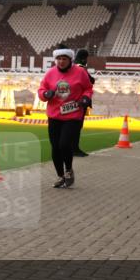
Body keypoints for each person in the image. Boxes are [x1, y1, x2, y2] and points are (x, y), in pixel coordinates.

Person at [38, 47, 94, 189]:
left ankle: (68, 171)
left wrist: (86, 98)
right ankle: (60, 176)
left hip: (73, 114)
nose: (61, 62)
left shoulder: (80, 72)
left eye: (64, 59)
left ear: (70, 60)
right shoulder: (50, 73)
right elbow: (41, 90)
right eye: (59, 59)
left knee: (64, 144)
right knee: (55, 147)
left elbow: (88, 88)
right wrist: (46, 94)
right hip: (54, 115)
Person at [72, 48, 95, 157]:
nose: (87, 60)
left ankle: (71, 148)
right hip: (81, 101)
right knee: (76, 126)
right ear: (83, 58)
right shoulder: (81, 68)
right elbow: (91, 80)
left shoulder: (72, 66)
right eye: (86, 58)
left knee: (73, 126)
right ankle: (74, 148)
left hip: (73, 100)